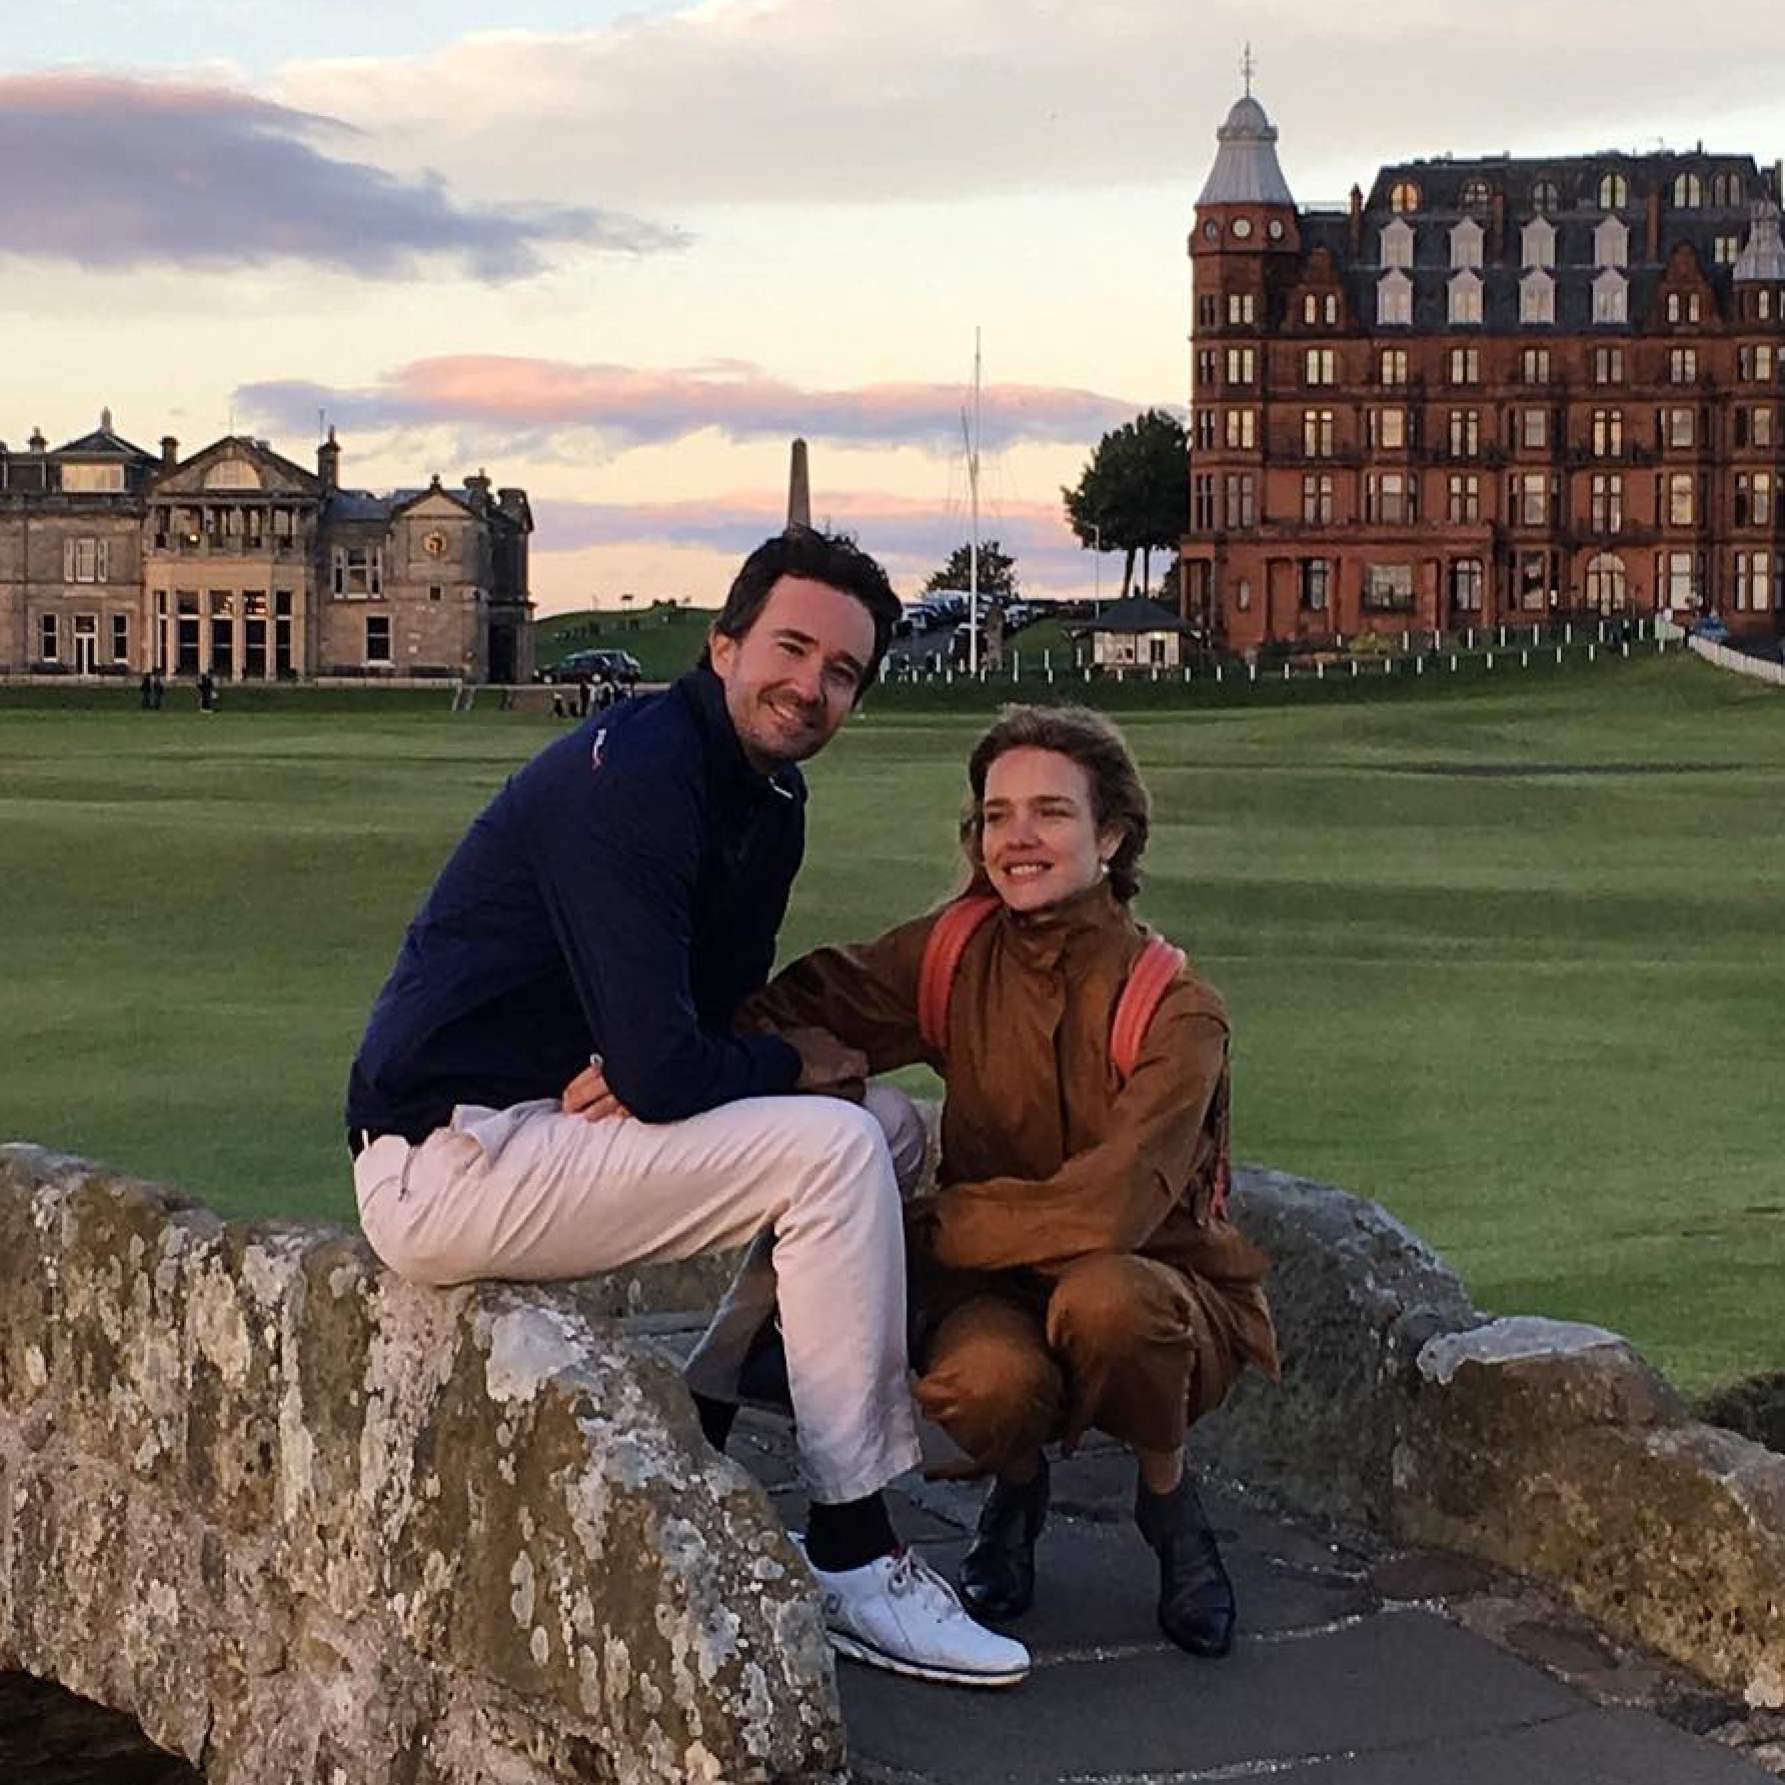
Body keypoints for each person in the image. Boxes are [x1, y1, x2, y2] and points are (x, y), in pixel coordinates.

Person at [345, 528, 1029, 1690]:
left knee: (890, 1132)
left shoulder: (769, 797)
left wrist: (681, 1057)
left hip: (553, 1128)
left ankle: (716, 1389)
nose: (811, 687)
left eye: (844, 672)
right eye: (791, 648)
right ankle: (856, 1554)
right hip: (446, 1155)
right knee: (829, 1143)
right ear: (722, 646)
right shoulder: (640, 773)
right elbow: (674, 1067)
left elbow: (695, 1028)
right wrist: (750, 1066)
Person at [703, 705, 1278, 1658]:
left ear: (1112, 835)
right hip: (991, 1290)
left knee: (1109, 1304)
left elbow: (1112, 1209)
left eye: (1050, 812)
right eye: (997, 813)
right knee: (982, 1381)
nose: (1017, 837)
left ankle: (1169, 1499)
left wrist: (922, 1232)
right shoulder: (953, 953)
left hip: (1154, 1274)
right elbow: (810, 1000)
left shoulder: (1176, 1006)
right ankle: (1018, 1486)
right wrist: (699, 1055)